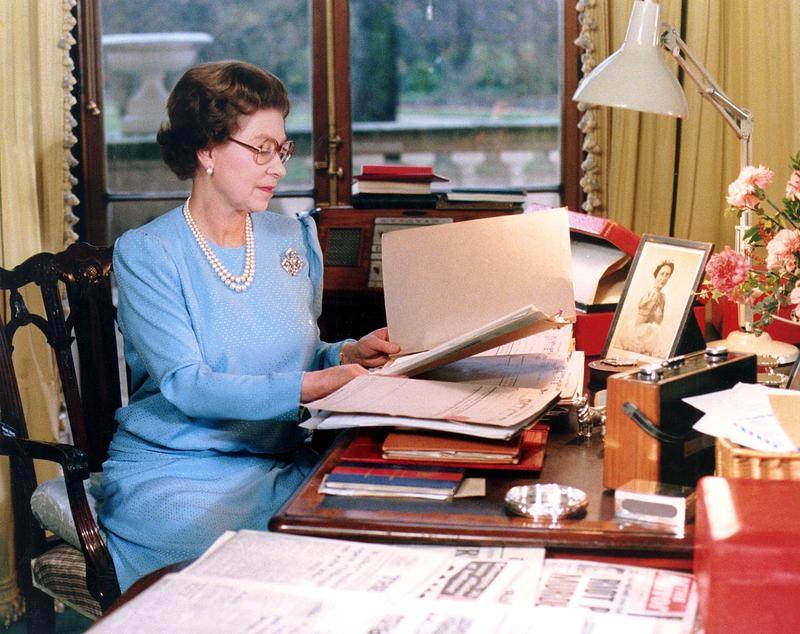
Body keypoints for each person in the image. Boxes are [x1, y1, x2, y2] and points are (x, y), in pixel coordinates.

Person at [96, 60, 399, 591]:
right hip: (179, 470)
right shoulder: (148, 253)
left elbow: (298, 355)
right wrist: (313, 385)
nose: (278, 167)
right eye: (261, 149)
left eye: (281, 149)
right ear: (207, 150)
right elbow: (186, 384)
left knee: (369, 527)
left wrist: (345, 356)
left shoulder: (291, 239)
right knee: (255, 563)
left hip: (280, 461)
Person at [618, 260, 674, 356]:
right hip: (641, 340)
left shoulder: (662, 297)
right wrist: (650, 337)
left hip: (651, 340)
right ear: (656, 275)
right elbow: (638, 326)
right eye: (662, 274)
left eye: (667, 275)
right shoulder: (652, 295)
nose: (664, 278)